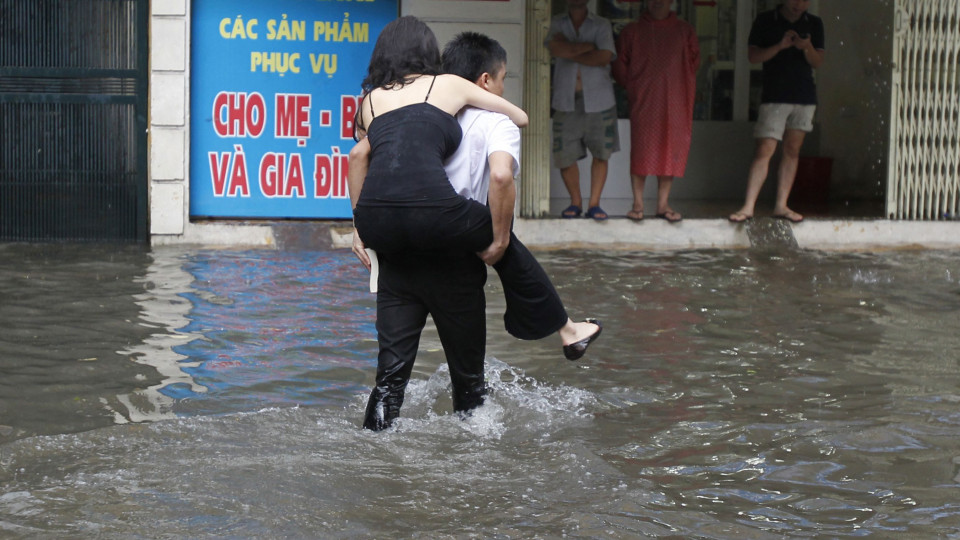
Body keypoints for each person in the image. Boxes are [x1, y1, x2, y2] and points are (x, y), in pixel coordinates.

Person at [348, 18, 600, 431]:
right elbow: (514, 133)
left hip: (387, 237)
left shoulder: (371, 100)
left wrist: (361, 228)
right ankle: (566, 329)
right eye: (499, 80)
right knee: (470, 378)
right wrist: (498, 238)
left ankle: (372, 452)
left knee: (389, 382)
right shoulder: (450, 89)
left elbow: (359, 158)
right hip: (445, 234)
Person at [729, 0, 825, 224]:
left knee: (792, 150)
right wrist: (780, 46)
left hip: (804, 96)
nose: (798, 5)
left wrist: (806, 47)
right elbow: (753, 57)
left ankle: (781, 205)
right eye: (794, 0)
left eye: (804, 1)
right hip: (775, 96)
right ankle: (748, 206)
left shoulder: (815, 23)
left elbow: (818, 61)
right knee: (765, 149)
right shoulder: (765, 20)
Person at [612, 0, 699, 223]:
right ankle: (638, 204)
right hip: (644, 99)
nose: (657, 2)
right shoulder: (632, 31)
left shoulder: (684, 30)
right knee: (642, 147)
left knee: (672, 147)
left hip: (677, 98)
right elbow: (620, 66)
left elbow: (694, 61)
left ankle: (663, 204)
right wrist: (635, 86)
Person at [547, 0, 620, 221]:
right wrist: (588, 47)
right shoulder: (555, 23)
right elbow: (554, 48)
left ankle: (594, 204)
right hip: (565, 98)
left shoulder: (601, 24)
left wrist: (569, 51)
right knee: (565, 155)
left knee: (601, 152)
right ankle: (575, 202)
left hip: (600, 98)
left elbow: (605, 57)